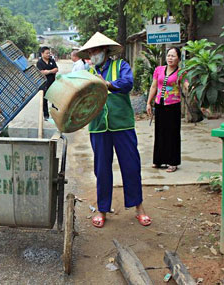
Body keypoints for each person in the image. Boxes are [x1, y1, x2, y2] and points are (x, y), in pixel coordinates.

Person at [77, 32, 151, 228]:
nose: (93, 54)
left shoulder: (121, 66)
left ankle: (138, 207)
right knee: (102, 169)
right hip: (98, 126)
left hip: (122, 124)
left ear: (105, 51)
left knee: (131, 166)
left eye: (96, 50)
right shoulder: (87, 73)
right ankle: (102, 208)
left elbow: (127, 83)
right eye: (90, 51)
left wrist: (108, 84)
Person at [146, 47, 188, 173]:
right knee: (160, 132)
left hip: (173, 106)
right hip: (160, 105)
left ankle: (173, 162)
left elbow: (186, 84)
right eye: (169, 55)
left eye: (173, 56)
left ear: (179, 59)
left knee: (172, 134)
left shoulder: (181, 72)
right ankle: (158, 160)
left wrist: (191, 87)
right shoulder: (159, 70)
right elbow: (154, 86)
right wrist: (149, 103)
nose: (170, 58)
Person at [36, 46, 58, 120]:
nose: (48, 54)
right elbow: (41, 72)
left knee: (54, 100)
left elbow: (56, 69)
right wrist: (51, 71)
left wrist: (48, 71)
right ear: (42, 53)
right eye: (47, 53)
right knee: (44, 100)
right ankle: (46, 116)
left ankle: (55, 114)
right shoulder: (39, 63)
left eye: (49, 53)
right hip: (44, 84)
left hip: (53, 83)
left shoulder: (52, 60)